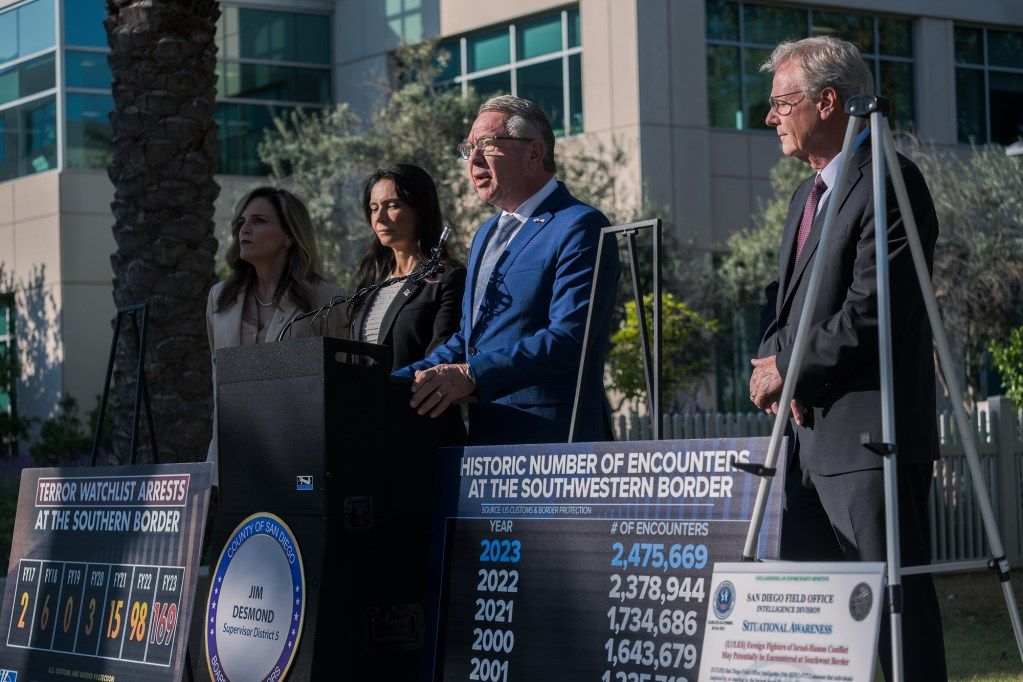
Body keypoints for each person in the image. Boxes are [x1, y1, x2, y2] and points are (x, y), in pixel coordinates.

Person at [750, 36, 946, 680]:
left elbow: (875, 308)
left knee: (893, 626)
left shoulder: (889, 180)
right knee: (821, 640)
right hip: (805, 445)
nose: (770, 116)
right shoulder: (804, 198)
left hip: (869, 445)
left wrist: (792, 367)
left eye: (782, 102)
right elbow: (785, 310)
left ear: (828, 102)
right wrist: (769, 363)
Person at [395, 95, 620, 445]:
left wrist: (472, 375)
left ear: (534, 153)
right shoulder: (485, 234)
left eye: (487, 144)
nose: (474, 159)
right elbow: (469, 341)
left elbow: (567, 340)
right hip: (489, 440)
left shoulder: (580, 225)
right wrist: (393, 382)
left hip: (556, 439)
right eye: (469, 148)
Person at [206, 186, 344, 475]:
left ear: (289, 235)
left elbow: (339, 384)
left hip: (297, 460)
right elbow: (217, 378)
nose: (245, 229)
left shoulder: (327, 299)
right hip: (229, 458)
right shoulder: (219, 299)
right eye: (241, 222)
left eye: (259, 221)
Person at [348, 164, 466, 372]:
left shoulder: (446, 278)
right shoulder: (369, 285)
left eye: (392, 205)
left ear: (420, 210)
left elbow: (444, 355)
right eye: (374, 208)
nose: (379, 217)